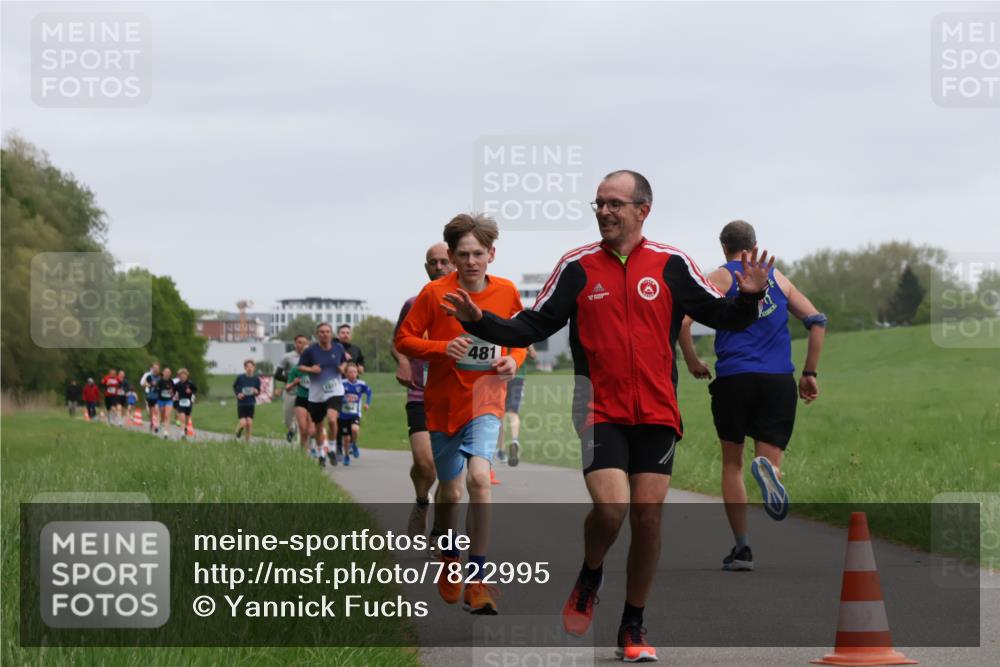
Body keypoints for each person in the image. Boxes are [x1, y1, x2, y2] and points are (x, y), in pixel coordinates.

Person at [442, 170, 774, 661]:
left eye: (615, 203)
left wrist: (747, 297)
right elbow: (534, 323)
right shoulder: (576, 267)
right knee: (613, 507)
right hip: (598, 408)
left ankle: (633, 623)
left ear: (643, 210)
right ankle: (591, 573)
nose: (604, 212)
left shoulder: (672, 263)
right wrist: (481, 321)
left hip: (658, 410)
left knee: (648, 517)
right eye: (598, 204)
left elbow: (723, 318)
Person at [396, 213, 527, 616]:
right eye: (463, 254)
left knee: (479, 480)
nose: (471, 262)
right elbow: (404, 338)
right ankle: (449, 556)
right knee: (450, 492)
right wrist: (440, 349)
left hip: (486, 400)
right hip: (442, 405)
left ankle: (479, 578)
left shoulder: (505, 292)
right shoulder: (434, 293)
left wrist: (513, 361)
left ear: (491, 254)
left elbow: (519, 336)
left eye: (478, 254)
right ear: (451, 256)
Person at [678, 219, 826, 571]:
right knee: (767, 455)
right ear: (754, 243)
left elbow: (683, 322)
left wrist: (693, 359)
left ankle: (742, 549)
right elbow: (817, 320)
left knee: (732, 463)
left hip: (734, 379)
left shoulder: (719, 277)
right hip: (777, 380)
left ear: (723, 246)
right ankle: (771, 471)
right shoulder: (777, 277)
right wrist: (809, 373)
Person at [392, 241, 455, 541]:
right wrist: (404, 361)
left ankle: (439, 531)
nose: (439, 267)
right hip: (420, 393)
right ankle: (421, 501)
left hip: (456, 396)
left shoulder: (467, 304)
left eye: (444, 261)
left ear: (454, 262)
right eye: (433, 262)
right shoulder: (413, 303)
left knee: (448, 473)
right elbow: (398, 342)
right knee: (424, 462)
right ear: (426, 267)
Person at [298, 323, 347, 466]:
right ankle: (321, 454)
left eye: (327, 331)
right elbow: (300, 366)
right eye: (321, 332)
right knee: (318, 426)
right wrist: (311, 369)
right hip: (316, 394)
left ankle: (331, 448)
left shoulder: (338, 348)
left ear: (331, 333)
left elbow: (345, 361)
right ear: (317, 334)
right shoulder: (310, 351)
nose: (324, 334)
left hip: (335, 390)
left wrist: (342, 368)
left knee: (332, 419)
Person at [496, 344, 537, 466]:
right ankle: (514, 440)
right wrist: (527, 351)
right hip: (518, 375)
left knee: (501, 413)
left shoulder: (500, 331)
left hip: (501, 375)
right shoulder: (523, 334)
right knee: (513, 412)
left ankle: (501, 450)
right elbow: (534, 355)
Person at [337, 361, 372, 465]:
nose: (353, 374)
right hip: (343, 415)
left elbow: (369, 393)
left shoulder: (361, 384)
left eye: (355, 372)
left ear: (357, 373)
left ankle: (354, 444)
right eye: (350, 372)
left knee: (355, 429)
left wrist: (367, 403)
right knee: (346, 438)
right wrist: (342, 400)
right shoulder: (342, 383)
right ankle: (346, 456)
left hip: (354, 413)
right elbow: (336, 394)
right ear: (346, 373)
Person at [285, 341, 316, 453]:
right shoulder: (295, 369)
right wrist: (294, 383)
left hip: (315, 401)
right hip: (301, 399)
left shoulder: (317, 369)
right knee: (303, 429)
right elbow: (287, 387)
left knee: (311, 431)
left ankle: (314, 448)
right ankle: (304, 454)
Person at [276, 337, 307, 442]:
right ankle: (292, 429)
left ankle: (302, 445)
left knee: (304, 420)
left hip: (306, 392)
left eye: (304, 342)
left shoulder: (311, 357)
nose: (302, 344)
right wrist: (291, 380)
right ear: (295, 344)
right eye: (299, 342)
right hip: (291, 391)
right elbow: (277, 375)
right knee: (287, 419)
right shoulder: (288, 357)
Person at [233, 360, 261, 442]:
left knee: (249, 423)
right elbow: (234, 387)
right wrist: (238, 394)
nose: (249, 368)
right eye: (247, 366)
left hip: (251, 403)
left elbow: (258, 391)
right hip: (242, 403)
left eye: (251, 367)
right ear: (245, 368)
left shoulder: (256, 379)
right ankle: (237, 431)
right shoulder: (240, 378)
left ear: (254, 368)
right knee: (243, 423)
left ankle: (247, 442)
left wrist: (257, 391)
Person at [173, 368, 198, 441]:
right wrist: (175, 395)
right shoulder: (177, 384)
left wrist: (191, 391)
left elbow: (195, 390)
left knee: (187, 419)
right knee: (182, 418)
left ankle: (186, 428)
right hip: (180, 402)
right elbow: (173, 391)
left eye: (184, 376)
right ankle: (182, 433)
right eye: (181, 376)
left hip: (188, 403)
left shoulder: (190, 383)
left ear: (187, 376)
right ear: (179, 376)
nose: (183, 377)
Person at [140, 363, 161, 432]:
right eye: (154, 368)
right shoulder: (147, 375)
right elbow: (142, 383)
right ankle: (152, 422)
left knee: (157, 410)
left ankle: (157, 425)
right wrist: (148, 384)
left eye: (157, 368)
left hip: (157, 395)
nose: (156, 369)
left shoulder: (160, 376)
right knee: (150, 412)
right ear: (152, 368)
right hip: (148, 394)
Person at [155, 368, 175, 438]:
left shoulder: (171, 381)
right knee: (162, 415)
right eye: (166, 372)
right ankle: (160, 423)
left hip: (169, 400)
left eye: (168, 372)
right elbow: (156, 389)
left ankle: (166, 432)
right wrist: (161, 390)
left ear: (170, 374)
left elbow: (173, 391)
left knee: (167, 416)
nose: (167, 373)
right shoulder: (160, 381)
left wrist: (171, 392)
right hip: (161, 400)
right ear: (163, 373)